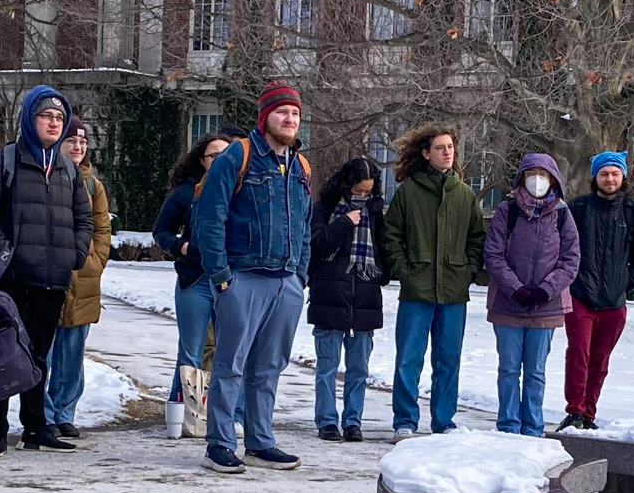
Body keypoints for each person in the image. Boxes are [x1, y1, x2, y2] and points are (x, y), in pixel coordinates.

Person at [0, 85, 92, 455]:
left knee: (38, 356)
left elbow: (84, 219)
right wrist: (6, 250)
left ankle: (35, 428)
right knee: (2, 353)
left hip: (52, 280)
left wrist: (74, 254)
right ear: (29, 119)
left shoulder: (68, 170)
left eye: (60, 118)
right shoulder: (4, 161)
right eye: (46, 116)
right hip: (11, 279)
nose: (54, 123)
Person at [193, 82, 311, 473]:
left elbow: (305, 224)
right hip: (242, 277)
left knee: (269, 367)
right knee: (230, 365)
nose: (289, 119)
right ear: (265, 118)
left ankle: (260, 442)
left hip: (286, 280)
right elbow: (210, 217)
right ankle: (220, 444)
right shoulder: (237, 156)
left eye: (295, 113)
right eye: (282, 112)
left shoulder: (300, 165)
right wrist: (221, 275)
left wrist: (300, 276)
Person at [382, 123, 485, 441]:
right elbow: (391, 235)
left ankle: (444, 421)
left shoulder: (465, 194)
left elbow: (477, 239)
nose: (447, 152)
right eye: (440, 148)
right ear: (426, 153)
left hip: (454, 292)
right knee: (409, 359)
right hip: (417, 290)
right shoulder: (408, 193)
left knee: (448, 359)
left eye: (450, 147)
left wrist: (468, 271)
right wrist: (405, 271)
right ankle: (405, 420)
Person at [483, 153, 581, 437]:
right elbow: (493, 255)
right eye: (531, 173)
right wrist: (516, 288)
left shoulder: (562, 214)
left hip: (546, 307)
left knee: (536, 371)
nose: (537, 180)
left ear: (553, 179)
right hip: (508, 305)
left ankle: (533, 428)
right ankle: (508, 425)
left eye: (543, 174)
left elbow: (571, 259)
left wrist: (545, 290)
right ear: (522, 178)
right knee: (509, 369)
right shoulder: (507, 211)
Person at [151, 128, 240, 436]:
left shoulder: (240, 191)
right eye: (214, 155)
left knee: (231, 351)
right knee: (190, 351)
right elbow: (161, 231)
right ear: (202, 159)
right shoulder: (185, 193)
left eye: (226, 155)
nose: (220, 160)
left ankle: (229, 416)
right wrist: (182, 247)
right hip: (195, 279)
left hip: (230, 280)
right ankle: (185, 417)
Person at [558, 151, 634, 432]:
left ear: (622, 176)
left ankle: (589, 413)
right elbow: (561, 246)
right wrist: (569, 280)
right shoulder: (577, 208)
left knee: (600, 360)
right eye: (604, 174)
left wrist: (625, 283)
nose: (609, 179)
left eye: (614, 174)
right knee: (578, 354)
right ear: (595, 177)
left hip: (614, 303)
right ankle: (574, 411)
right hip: (580, 297)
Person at [307, 156, 389, 442]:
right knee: (327, 368)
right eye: (358, 191)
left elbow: (384, 251)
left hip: (365, 301)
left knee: (359, 370)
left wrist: (383, 275)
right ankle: (327, 421)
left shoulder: (375, 213)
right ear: (346, 185)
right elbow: (315, 246)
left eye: (368, 191)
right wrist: (343, 223)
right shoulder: (324, 209)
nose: (363, 196)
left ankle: (353, 421)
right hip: (329, 298)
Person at [45, 115, 111, 439]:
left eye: (83, 141)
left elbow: (102, 228)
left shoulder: (93, 185)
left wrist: (95, 262)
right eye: (71, 140)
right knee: (43, 351)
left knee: (72, 355)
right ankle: (42, 414)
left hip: (83, 279)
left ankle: (64, 412)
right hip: (48, 275)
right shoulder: (44, 175)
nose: (78, 146)